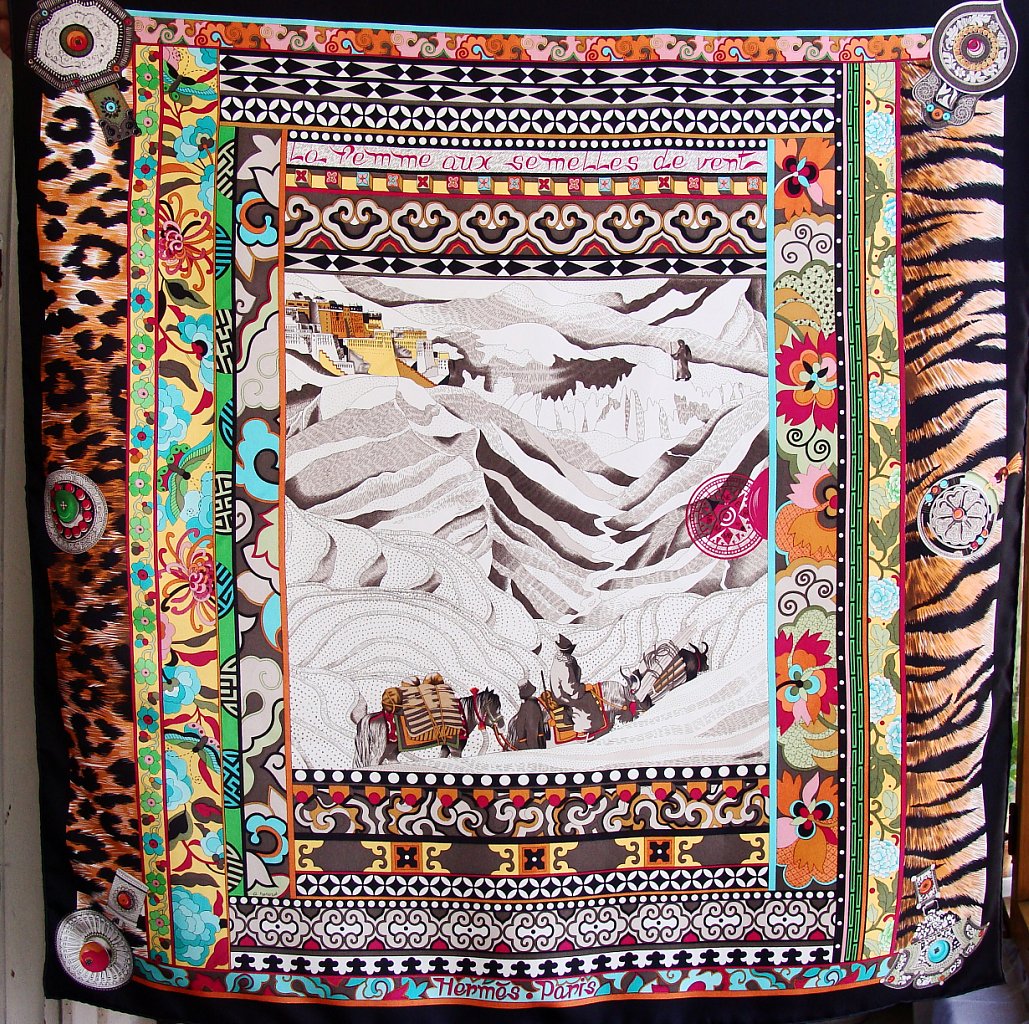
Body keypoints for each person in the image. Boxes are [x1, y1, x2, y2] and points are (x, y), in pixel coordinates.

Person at [549, 635, 604, 734]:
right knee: (587, 699)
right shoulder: (563, 665)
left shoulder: (564, 660)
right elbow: (570, 689)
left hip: (566, 692)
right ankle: (586, 727)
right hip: (564, 696)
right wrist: (584, 688)